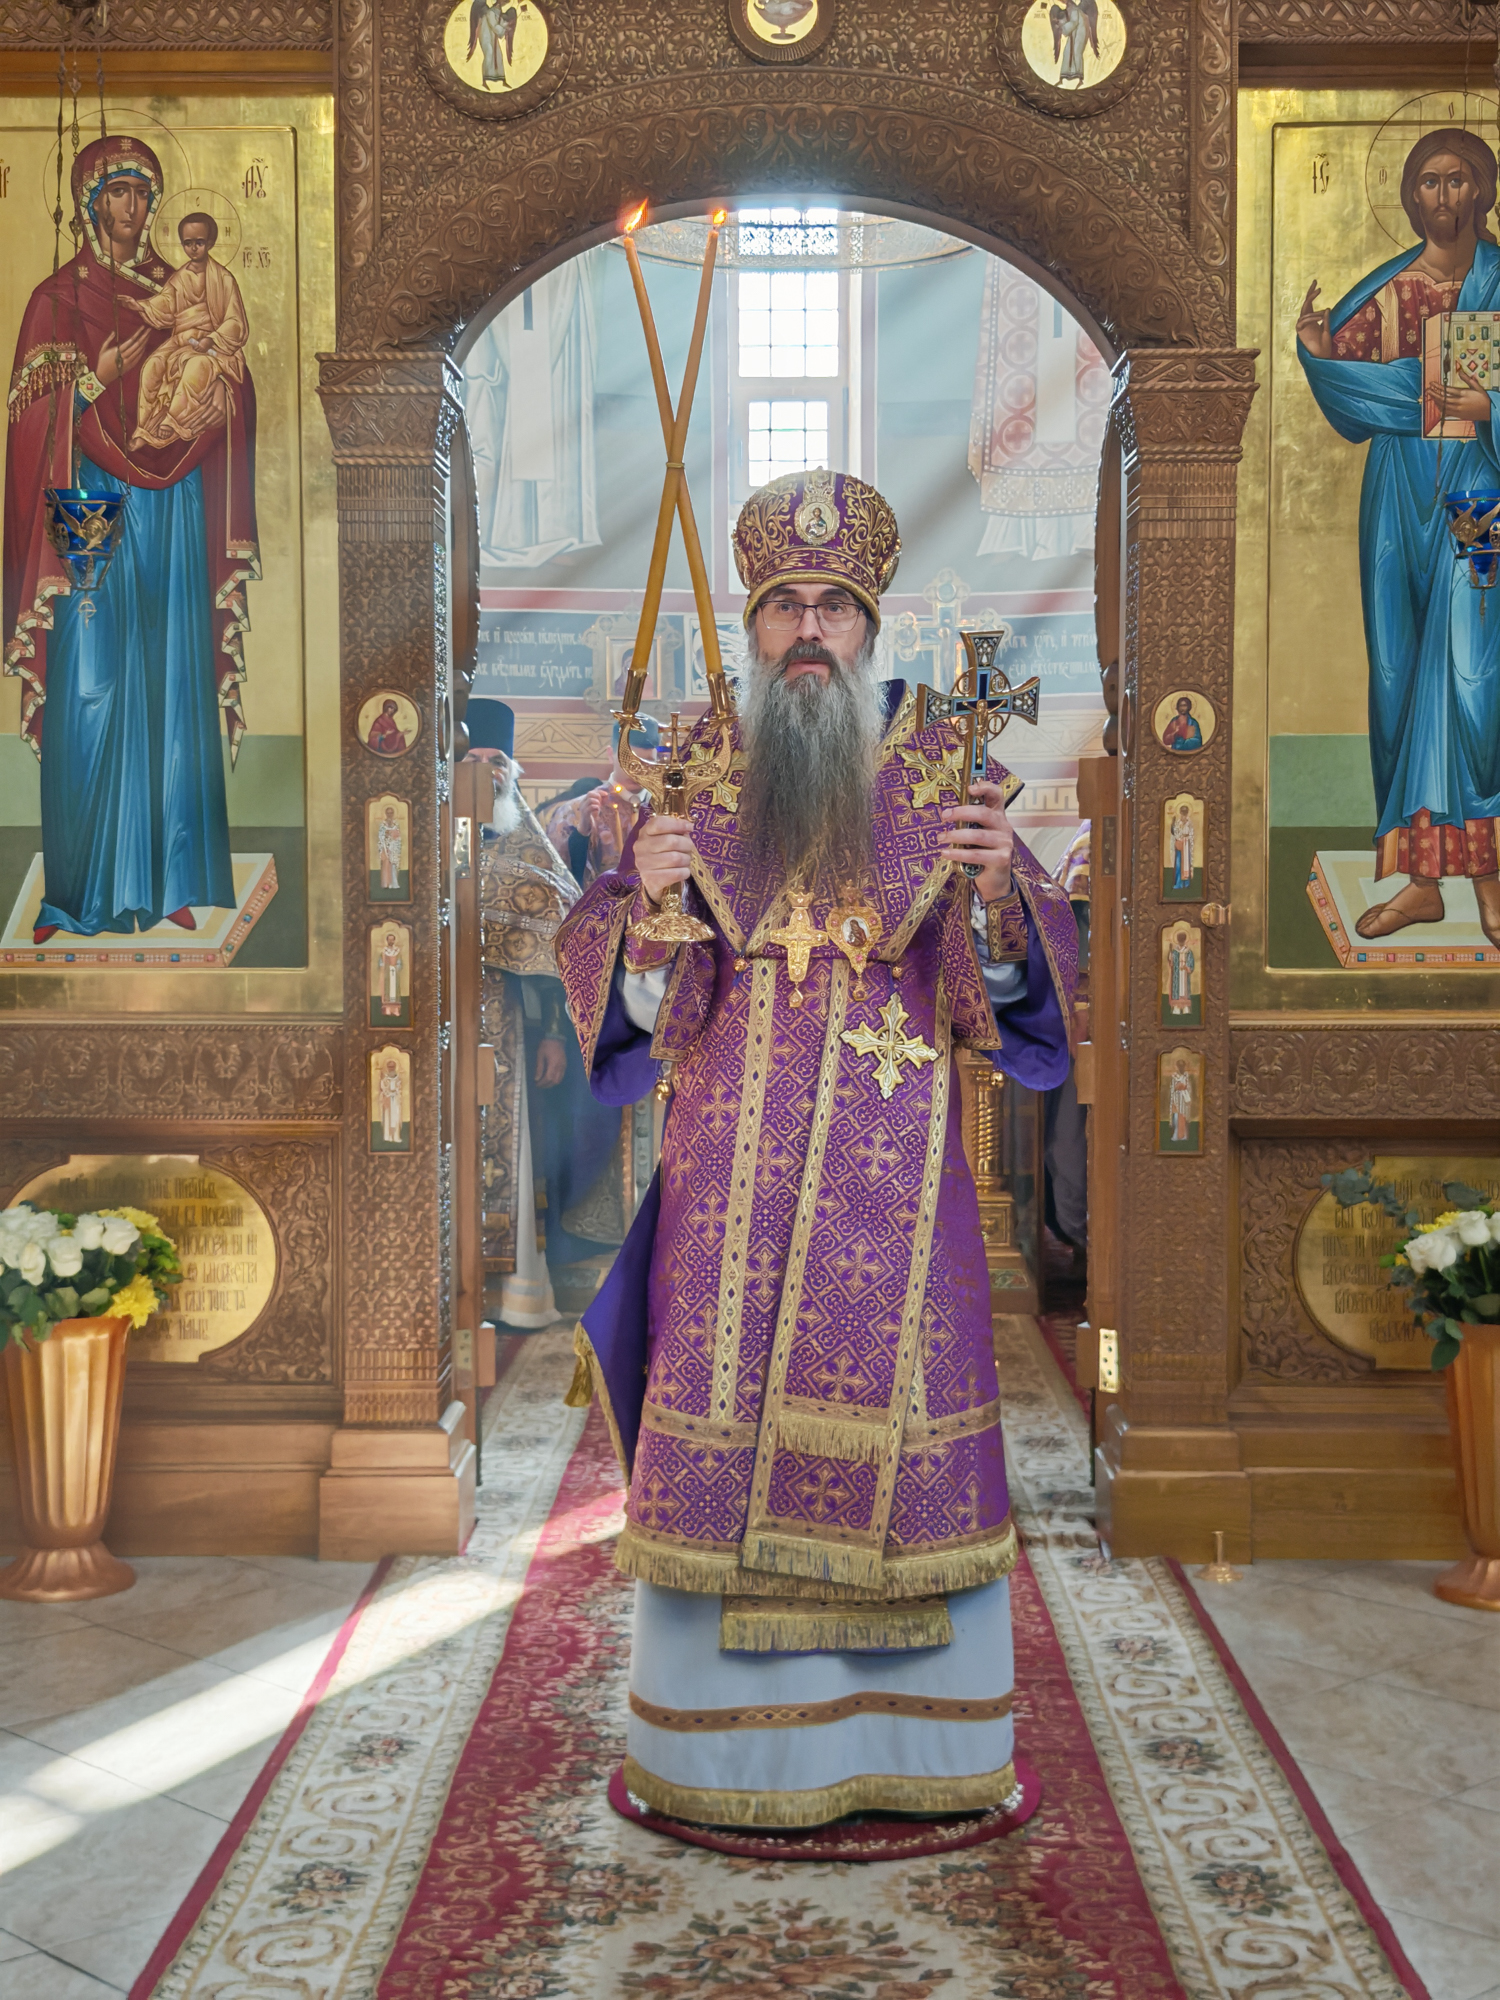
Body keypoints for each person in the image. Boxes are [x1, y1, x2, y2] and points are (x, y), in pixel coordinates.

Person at [556, 470, 1076, 1829]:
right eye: (782, 603)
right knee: (722, 1421)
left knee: (908, 1413)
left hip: (897, 1175)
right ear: (751, 622)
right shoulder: (696, 766)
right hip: (729, 1177)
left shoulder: (942, 768)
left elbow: (1005, 1003)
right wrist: (645, 903)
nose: (806, 628)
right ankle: (721, 1757)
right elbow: (640, 1012)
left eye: (831, 606)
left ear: (869, 623)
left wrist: (1004, 894)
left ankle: (923, 1748)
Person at [4, 134, 258, 943]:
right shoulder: (57, 298)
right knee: (89, 674)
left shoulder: (184, 288)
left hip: (172, 500)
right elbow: (32, 425)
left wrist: (221, 382)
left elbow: (233, 379)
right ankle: (80, 891)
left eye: (144, 193)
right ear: (90, 203)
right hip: (87, 497)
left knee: (171, 668)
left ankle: (171, 878)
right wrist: (97, 378)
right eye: (118, 191)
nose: (133, 206)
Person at [1298, 127, 1500, 946]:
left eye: (1458, 180)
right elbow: (1350, 398)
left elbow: (1455, 394)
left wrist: (1483, 405)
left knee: (1474, 676)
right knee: (1399, 672)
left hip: (1482, 497)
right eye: (1429, 182)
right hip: (1395, 499)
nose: (1443, 195)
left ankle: (1488, 876)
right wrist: (1318, 355)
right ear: (1411, 195)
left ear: (1482, 190)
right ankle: (1422, 883)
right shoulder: (1386, 292)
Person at [465, 698, 621, 1326]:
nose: (487, 771)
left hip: (506, 1029)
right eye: (472, 758)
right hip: (432, 1026)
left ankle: (513, 1294)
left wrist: (556, 1033)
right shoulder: (423, 839)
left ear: (513, 770)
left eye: (497, 760)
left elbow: (566, 947)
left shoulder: (530, 847)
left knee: (514, 1154)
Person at [124, 212, 247, 449]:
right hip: (181, 341)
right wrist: (140, 306)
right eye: (187, 243)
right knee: (152, 366)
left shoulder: (223, 279)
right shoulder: (179, 278)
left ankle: (173, 421)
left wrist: (211, 339)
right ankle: (145, 428)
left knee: (196, 367)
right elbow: (166, 304)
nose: (193, 248)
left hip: (215, 348)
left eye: (199, 242)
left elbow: (236, 322)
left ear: (210, 242)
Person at [537, 715, 661, 888]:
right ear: (611, 755)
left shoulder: (667, 809)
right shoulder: (573, 811)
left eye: (647, 762)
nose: (636, 771)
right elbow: (557, 879)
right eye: (628, 761)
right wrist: (582, 833)